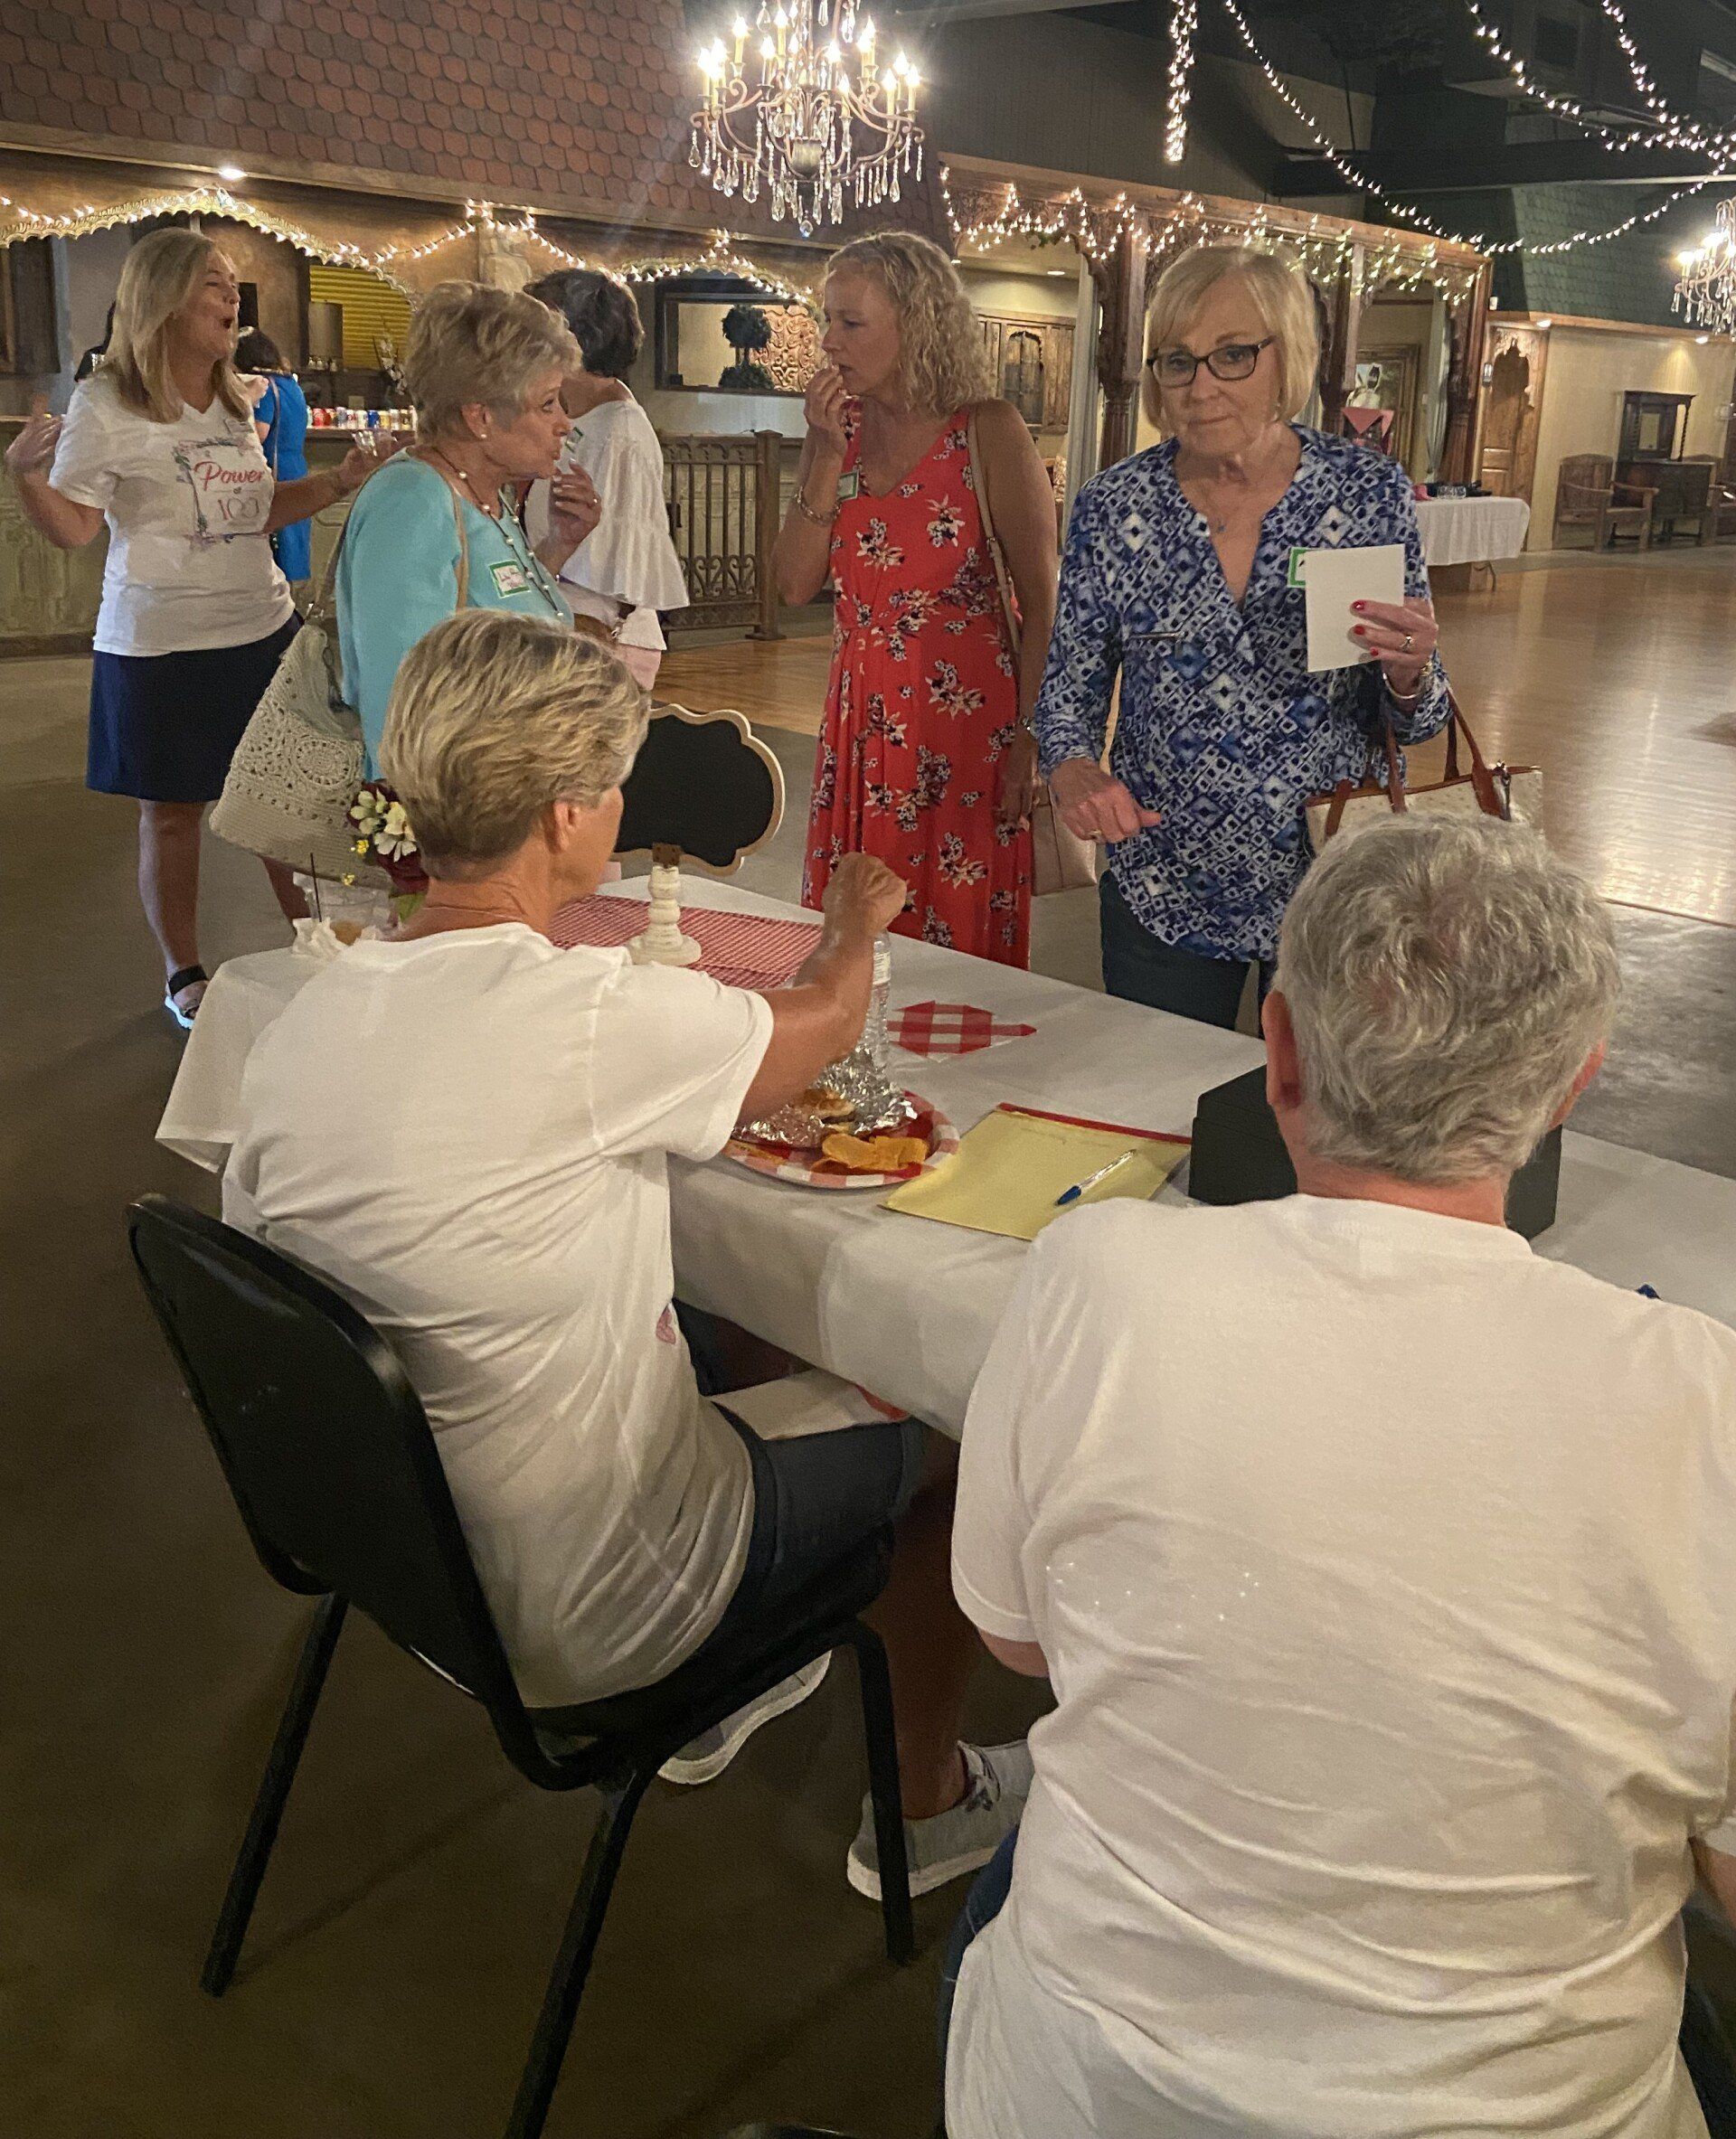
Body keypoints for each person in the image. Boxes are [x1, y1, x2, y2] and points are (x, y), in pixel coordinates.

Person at [942, 813, 1736, 2139]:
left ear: (1282, 1049)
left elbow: (1013, 1642)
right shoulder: (1702, 1401)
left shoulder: (1097, 1273)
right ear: (1573, 1085)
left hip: (1079, 2089)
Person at [222, 608, 1031, 1894]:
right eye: (608, 785)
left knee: (719, 1313)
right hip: (589, 1600)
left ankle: (749, 1662)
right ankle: (924, 1802)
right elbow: (815, 1030)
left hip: (397, 1549)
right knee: (957, 1426)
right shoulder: (585, 1017)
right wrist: (854, 929)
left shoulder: (300, 1028)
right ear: (562, 817)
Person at [1037, 245, 1451, 1028]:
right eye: (1177, 361)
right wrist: (1072, 770)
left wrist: (1411, 671)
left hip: (1331, 875)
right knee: (1157, 1108)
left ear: (1285, 355)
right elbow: (1068, 693)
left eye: (1233, 355)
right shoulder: (1115, 506)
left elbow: (1419, 720)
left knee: (1318, 1123)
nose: (1201, 387)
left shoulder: (1363, 492)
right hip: (1162, 873)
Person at [3, 230, 385, 1027]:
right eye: (215, 284)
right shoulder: (107, 404)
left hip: (260, 626)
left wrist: (336, 482)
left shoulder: (238, 399)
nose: (232, 299)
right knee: (174, 814)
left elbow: (252, 514)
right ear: (164, 298)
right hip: (160, 642)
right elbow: (75, 529)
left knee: (286, 797)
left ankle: (317, 945)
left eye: (234, 286)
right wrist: (28, 477)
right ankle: (184, 973)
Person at [774, 231, 1058, 967]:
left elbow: (1042, 598)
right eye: (827, 322)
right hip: (858, 725)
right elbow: (793, 585)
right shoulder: (836, 430)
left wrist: (1031, 740)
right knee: (854, 942)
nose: (830, 343)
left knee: (957, 937)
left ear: (917, 323)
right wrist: (826, 456)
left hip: (965, 731)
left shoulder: (986, 430)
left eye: (851, 323)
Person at [335, 280, 603, 771]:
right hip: (455, 814)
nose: (565, 423)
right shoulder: (413, 501)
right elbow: (400, 702)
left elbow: (490, 611)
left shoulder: (484, 495)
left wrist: (558, 545)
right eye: (547, 405)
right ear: (480, 416)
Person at [520, 269, 688, 691]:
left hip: (598, 643)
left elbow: (623, 575)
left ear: (572, 339)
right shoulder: (571, 409)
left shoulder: (621, 434)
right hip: (562, 625)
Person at [235, 328, 313, 588]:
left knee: (273, 557)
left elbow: (258, 433)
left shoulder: (263, 386)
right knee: (293, 553)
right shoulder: (291, 384)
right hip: (296, 468)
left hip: (273, 474)